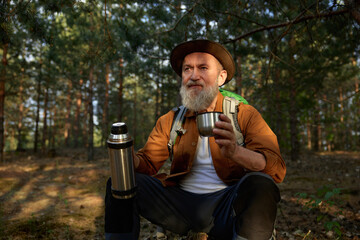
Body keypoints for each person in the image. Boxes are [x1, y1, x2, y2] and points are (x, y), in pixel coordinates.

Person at [105, 39, 286, 240]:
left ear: (221, 77)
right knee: (121, 182)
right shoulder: (171, 120)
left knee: (260, 183)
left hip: (226, 209)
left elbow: (275, 169)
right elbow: (146, 164)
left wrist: (236, 152)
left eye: (203, 68)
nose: (193, 76)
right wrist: (126, 155)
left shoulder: (244, 115)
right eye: (187, 69)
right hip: (179, 208)